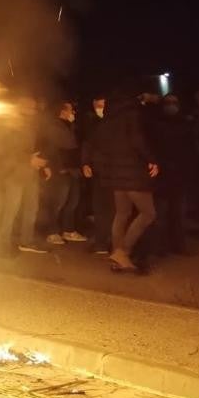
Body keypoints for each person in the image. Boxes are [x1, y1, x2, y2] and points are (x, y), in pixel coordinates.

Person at [82, 93, 159, 272]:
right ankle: (123, 251)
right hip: (134, 172)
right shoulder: (132, 115)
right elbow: (138, 141)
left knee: (121, 213)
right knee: (148, 213)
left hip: (114, 173)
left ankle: (118, 256)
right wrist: (152, 158)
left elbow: (95, 144)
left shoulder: (109, 120)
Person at [0, 97, 51, 254]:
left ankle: (26, 241)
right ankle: (3, 242)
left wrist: (43, 166)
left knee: (31, 208)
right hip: (14, 173)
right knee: (11, 209)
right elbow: (6, 150)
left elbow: (37, 147)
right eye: (30, 108)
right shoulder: (11, 125)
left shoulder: (32, 126)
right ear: (21, 107)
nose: (33, 111)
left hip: (30, 173)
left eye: (34, 108)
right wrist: (28, 159)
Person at [147, 94, 197, 255]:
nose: (171, 106)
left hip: (179, 177)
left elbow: (191, 150)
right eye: (168, 103)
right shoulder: (156, 124)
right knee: (161, 215)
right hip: (162, 177)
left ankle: (178, 245)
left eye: (174, 103)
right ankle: (161, 247)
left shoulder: (185, 124)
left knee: (179, 215)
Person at [40, 100, 87, 245]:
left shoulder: (69, 126)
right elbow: (67, 144)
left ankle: (68, 230)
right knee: (57, 202)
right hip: (60, 169)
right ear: (62, 111)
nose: (73, 113)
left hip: (72, 169)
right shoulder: (54, 126)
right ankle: (52, 232)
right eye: (70, 110)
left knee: (72, 202)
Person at [79, 95, 112, 255]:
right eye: (98, 105)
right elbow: (87, 144)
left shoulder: (115, 123)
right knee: (100, 208)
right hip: (99, 172)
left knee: (113, 208)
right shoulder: (91, 123)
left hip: (114, 172)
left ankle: (110, 242)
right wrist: (86, 163)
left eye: (103, 105)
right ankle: (101, 242)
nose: (101, 108)